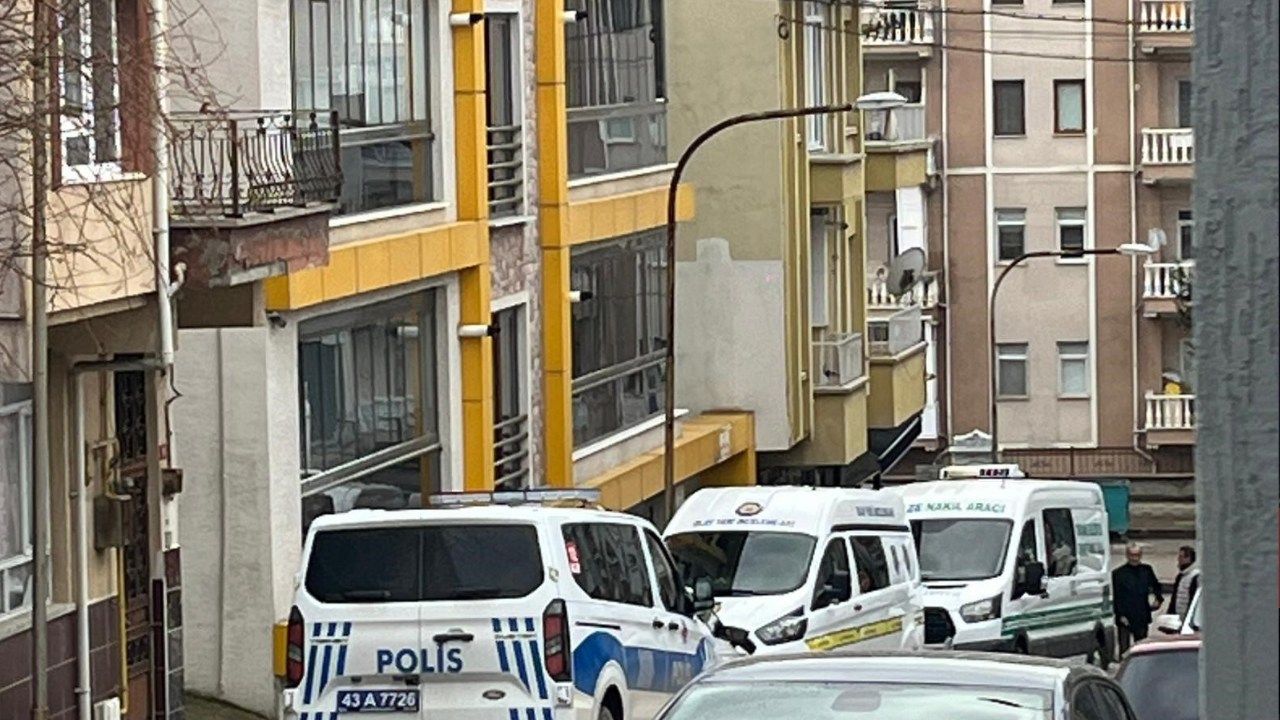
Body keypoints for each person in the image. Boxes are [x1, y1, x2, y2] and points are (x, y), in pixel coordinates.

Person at [1112, 543, 1164, 656]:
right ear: (1127, 555)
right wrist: (1120, 614)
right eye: (1132, 555)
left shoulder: (1146, 570)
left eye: (1137, 555)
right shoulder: (1118, 574)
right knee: (1124, 650)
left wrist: (1158, 599)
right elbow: (1116, 596)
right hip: (1124, 616)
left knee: (1142, 647)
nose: (1135, 558)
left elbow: (1156, 586)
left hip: (1141, 614)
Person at [1170, 545, 1201, 620]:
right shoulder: (1180, 576)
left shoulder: (1196, 576)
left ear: (1188, 558)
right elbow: (1174, 598)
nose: (1178, 560)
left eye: (1181, 557)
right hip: (1178, 617)